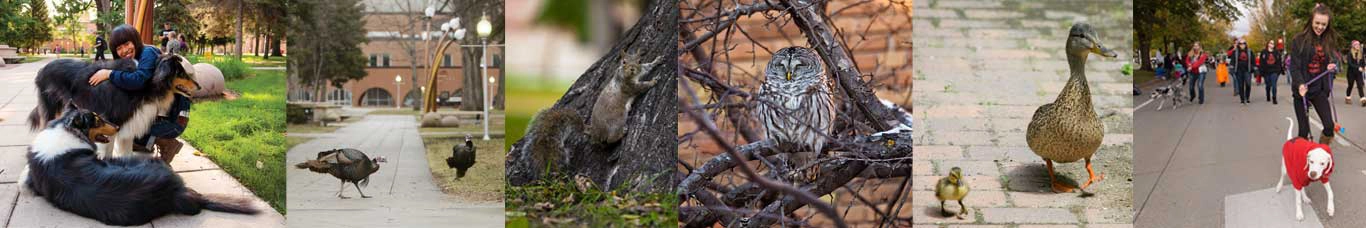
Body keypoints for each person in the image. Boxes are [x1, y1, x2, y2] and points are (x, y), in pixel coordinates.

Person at [89, 24, 192, 162]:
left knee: (126, 127)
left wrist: (109, 73)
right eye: (119, 48)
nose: (124, 50)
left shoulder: (147, 53)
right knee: (126, 124)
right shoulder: (133, 60)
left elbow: (139, 80)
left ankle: (164, 144)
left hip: (170, 121)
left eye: (126, 44)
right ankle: (145, 153)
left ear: (135, 40)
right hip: (163, 117)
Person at [1290, 4, 1342, 144]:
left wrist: (1331, 66)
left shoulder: (1328, 40)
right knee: (1303, 132)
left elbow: (1329, 61)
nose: (1320, 27)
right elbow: (1294, 67)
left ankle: (1321, 151)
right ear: (1311, 21)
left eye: (1324, 24)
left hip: (1319, 89)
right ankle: (1302, 157)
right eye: (1317, 23)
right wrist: (1300, 84)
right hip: (1302, 91)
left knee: (1329, 126)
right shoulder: (1298, 40)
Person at [1231, 39, 1254, 104]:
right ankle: (1242, 99)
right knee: (1240, 85)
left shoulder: (1249, 51)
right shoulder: (1235, 52)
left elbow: (1253, 61)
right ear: (1239, 45)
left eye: (1243, 43)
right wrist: (1232, 69)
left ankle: (1247, 97)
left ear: (1245, 44)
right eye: (1241, 44)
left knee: (1248, 84)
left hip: (1247, 70)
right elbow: (1232, 61)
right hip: (1238, 71)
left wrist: (1255, 69)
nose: (1242, 45)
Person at [1347, 40, 1364, 104]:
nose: (1358, 46)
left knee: (1360, 85)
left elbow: (1363, 62)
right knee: (1350, 85)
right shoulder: (1350, 53)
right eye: (1356, 45)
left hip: (1358, 73)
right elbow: (1350, 63)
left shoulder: (1360, 53)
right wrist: (1358, 67)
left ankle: (1363, 99)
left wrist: (1364, 66)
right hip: (1351, 73)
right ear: (1353, 46)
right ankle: (1348, 97)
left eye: (1358, 45)